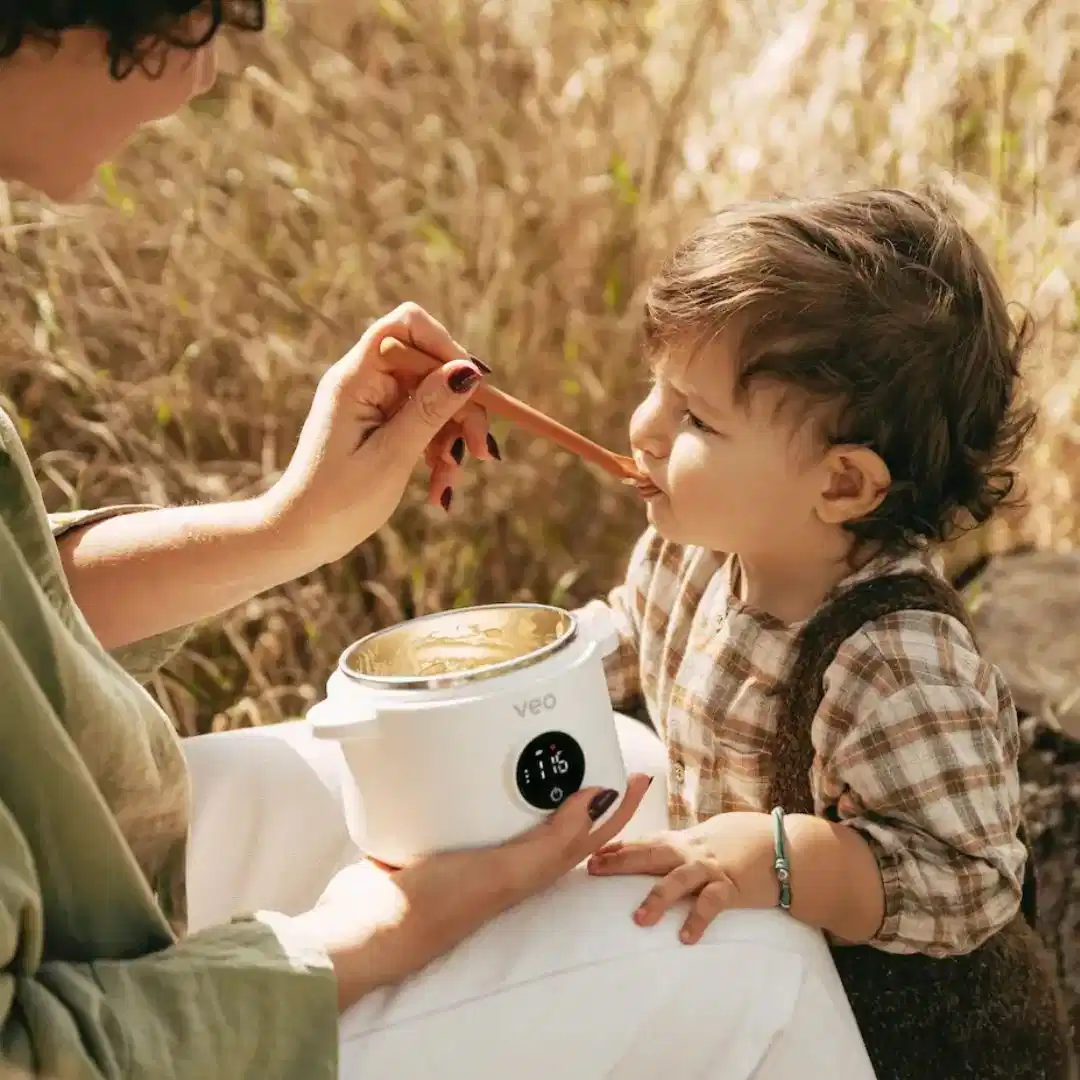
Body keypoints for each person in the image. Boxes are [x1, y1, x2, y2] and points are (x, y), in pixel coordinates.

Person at [0, 4, 884, 1080]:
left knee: (616, 765)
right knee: (756, 969)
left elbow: (19, 599)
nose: (213, 68)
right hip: (78, 1022)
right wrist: (369, 938)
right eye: (204, 13)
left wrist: (293, 523)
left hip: (71, 847)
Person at [574, 190, 1072, 1075]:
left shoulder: (897, 662)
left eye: (693, 417)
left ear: (843, 486)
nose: (642, 428)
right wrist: (545, 667)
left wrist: (790, 857)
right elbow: (634, 633)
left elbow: (972, 880)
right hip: (774, 990)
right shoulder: (695, 549)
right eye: (658, 388)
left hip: (907, 1037)